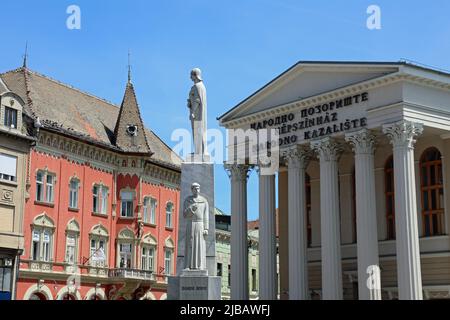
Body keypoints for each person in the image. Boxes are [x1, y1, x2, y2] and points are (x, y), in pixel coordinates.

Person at [183, 182, 209, 270]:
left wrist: (206, 228)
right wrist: (191, 209)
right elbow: (185, 214)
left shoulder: (204, 201)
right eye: (195, 188)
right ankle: (188, 265)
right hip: (191, 223)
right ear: (192, 190)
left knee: (199, 245)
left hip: (200, 224)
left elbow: (206, 215)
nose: (197, 190)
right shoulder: (188, 200)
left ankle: (199, 265)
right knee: (190, 244)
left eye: (198, 188)